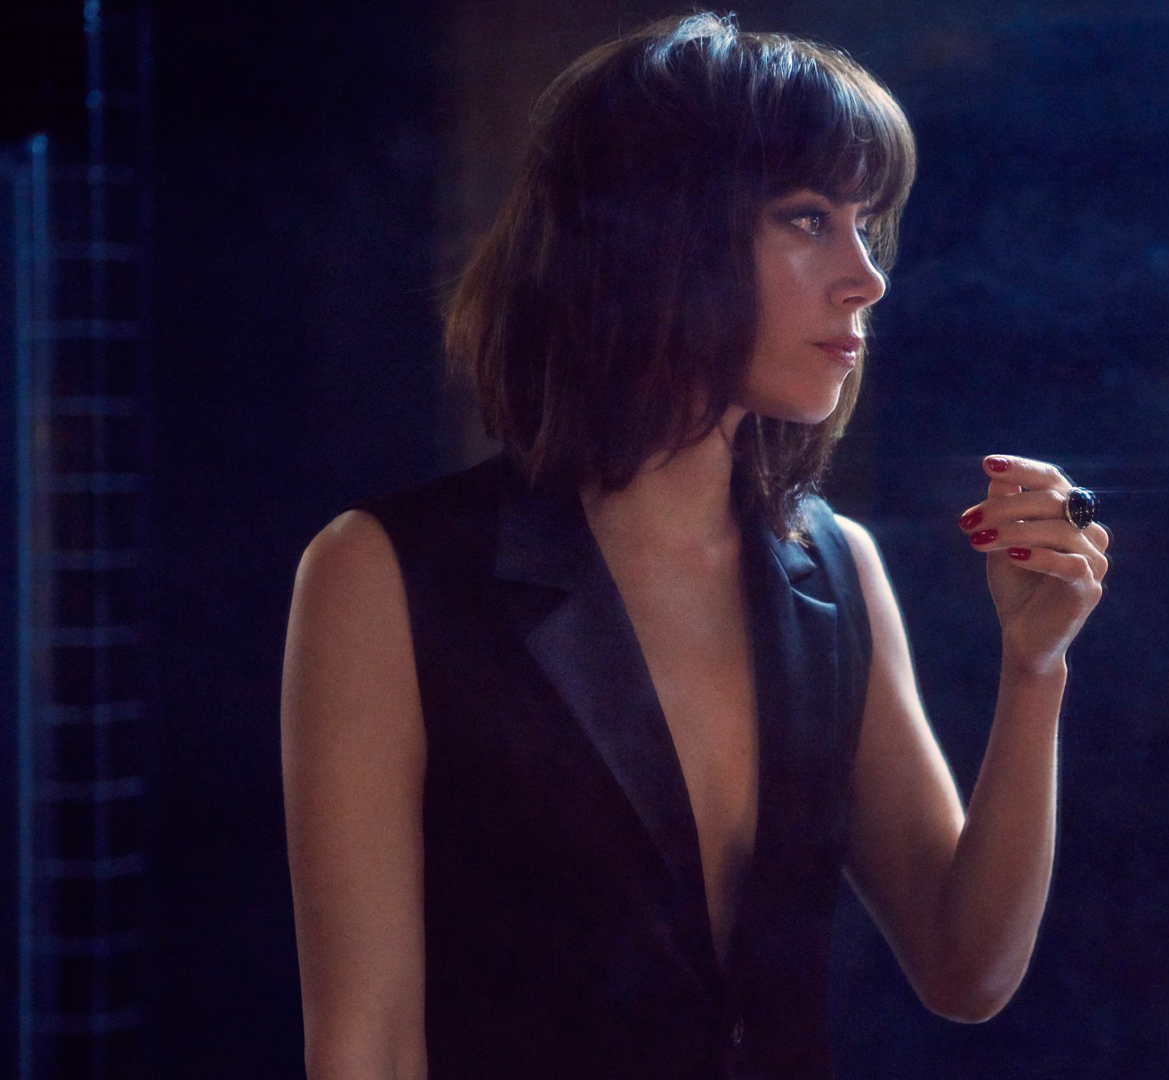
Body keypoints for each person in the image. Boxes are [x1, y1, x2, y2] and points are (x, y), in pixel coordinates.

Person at [279, 12, 1110, 1080]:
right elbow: (367, 1045)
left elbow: (967, 969)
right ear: (662, 233)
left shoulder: (836, 569)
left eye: (866, 225)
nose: (866, 277)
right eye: (809, 219)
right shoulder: (384, 574)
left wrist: (1037, 667)